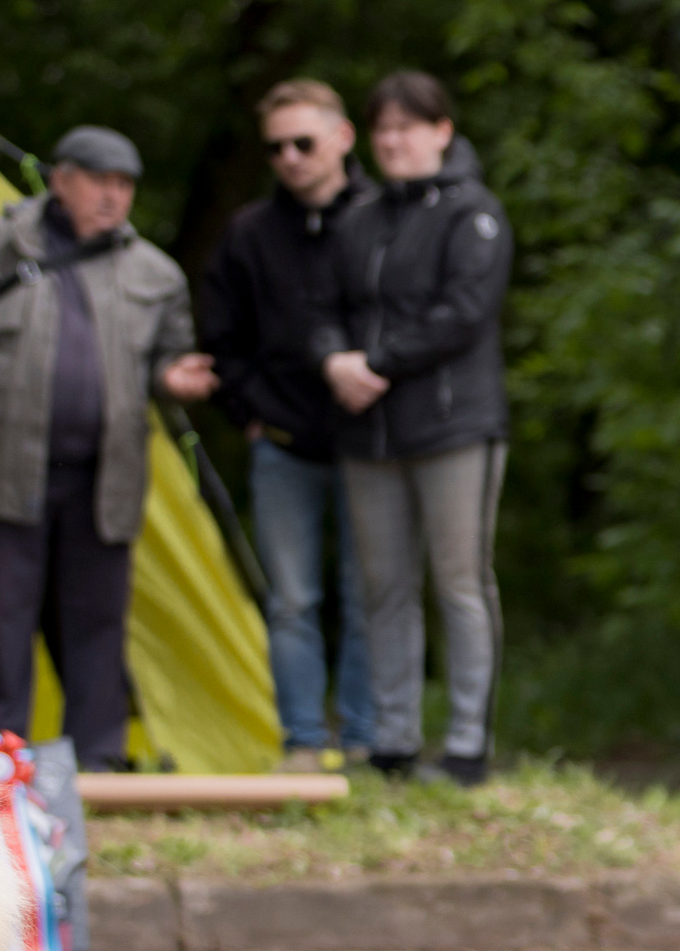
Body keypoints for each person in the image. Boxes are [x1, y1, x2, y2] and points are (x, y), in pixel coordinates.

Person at [0, 127, 217, 767]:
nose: (112, 196)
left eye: (124, 185)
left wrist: (175, 379)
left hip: (103, 480)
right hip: (2, 471)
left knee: (97, 624)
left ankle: (97, 763)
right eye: (99, 180)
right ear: (61, 178)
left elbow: (169, 360)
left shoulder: (155, 273)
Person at [308, 72, 511, 786]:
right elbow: (324, 302)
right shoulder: (358, 219)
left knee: (459, 581)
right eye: (382, 128)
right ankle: (392, 742)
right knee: (382, 586)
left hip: (456, 428)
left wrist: (377, 364)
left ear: (442, 131)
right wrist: (335, 360)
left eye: (408, 126)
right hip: (370, 433)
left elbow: (464, 313)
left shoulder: (473, 214)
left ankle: (465, 746)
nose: (393, 140)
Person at [199, 79, 377, 770]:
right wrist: (247, 413)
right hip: (281, 444)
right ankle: (303, 742)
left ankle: (366, 742)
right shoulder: (248, 233)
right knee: (292, 600)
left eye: (304, 142)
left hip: (371, 444)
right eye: (276, 148)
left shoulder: (381, 218)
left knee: (370, 595)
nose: (291, 158)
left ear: (341, 138)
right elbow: (222, 336)